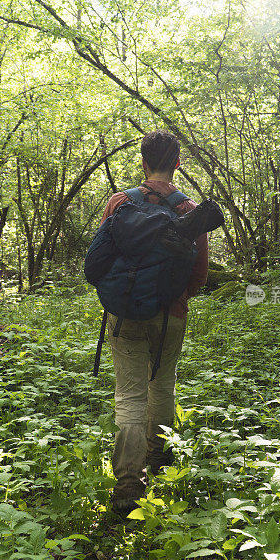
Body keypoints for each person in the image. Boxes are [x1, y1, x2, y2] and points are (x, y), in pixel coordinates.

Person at [99, 129, 209, 517]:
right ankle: (160, 463)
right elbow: (200, 272)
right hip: (171, 314)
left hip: (123, 313)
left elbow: (103, 258)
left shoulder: (118, 202)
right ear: (177, 163)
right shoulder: (189, 210)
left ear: (143, 163)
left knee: (129, 395)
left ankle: (128, 483)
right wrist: (176, 297)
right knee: (161, 385)